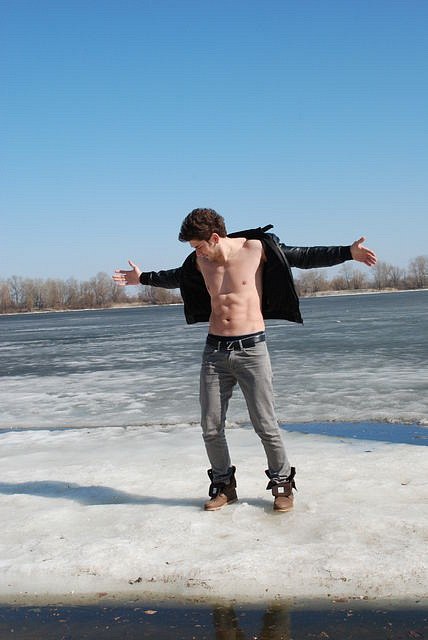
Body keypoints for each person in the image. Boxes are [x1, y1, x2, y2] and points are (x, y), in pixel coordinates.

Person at [113, 208, 377, 512]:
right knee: (211, 426)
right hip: (214, 352)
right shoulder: (199, 261)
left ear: (214, 238)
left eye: (199, 245)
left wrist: (347, 253)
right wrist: (142, 278)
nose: (197, 252)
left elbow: (303, 256)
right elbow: (174, 277)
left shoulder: (256, 249)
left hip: (252, 350)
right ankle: (224, 485)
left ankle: (282, 484)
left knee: (265, 424)